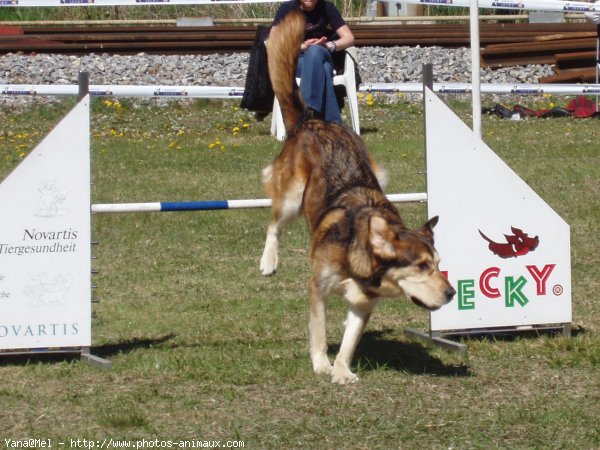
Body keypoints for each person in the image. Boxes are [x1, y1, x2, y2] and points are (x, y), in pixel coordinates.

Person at [271, 0, 355, 124]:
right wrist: (302, 47)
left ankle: (305, 109)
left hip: (323, 53)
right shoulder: (287, 8)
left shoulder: (327, 7)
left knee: (315, 51)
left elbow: (349, 38)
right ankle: (333, 124)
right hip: (297, 60)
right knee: (324, 69)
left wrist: (328, 46)